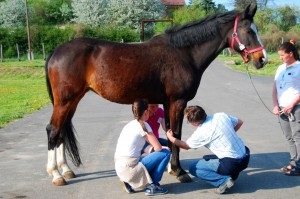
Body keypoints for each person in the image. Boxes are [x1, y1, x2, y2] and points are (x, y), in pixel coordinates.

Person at [166, 105, 250, 194]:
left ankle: (223, 181)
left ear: (194, 123)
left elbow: (186, 146)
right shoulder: (221, 115)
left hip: (232, 164)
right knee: (207, 158)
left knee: (194, 167)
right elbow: (239, 122)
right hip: (245, 157)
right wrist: (226, 135)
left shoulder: (202, 132)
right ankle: (232, 175)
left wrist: (170, 137)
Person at [114, 99, 171, 196]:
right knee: (166, 153)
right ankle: (153, 186)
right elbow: (158, 148)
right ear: (146, 112)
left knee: (153, 154)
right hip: (130, 169)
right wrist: (166, 146)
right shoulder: (144, 125)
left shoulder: (129, 125)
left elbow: (140, 148)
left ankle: (128, 181)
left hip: (120, 168)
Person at [272, 41, 300, 176]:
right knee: (289, 137)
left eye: (282, 55)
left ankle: (299, 166)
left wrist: (291, 104)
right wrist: (276, 105)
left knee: (298, 136)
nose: (280, 58)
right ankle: (294, 162)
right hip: (282, 108)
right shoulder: (280, 68)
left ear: (291, 53)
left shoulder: (299, 67)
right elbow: (274, 88)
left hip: (296, 108)